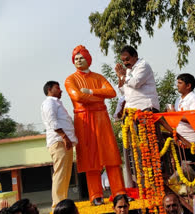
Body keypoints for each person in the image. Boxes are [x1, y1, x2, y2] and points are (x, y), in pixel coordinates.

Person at [65, 45, 126, 205]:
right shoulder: (70, 80)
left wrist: (91, 92)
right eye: (76, 58)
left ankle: (119, 192)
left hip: (102, 119)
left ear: (88, 59)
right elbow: (78, 97)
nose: (78, 60)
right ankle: (96, 195)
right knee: (90, 160)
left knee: (110, 155)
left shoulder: (98, 77)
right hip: (83, 120)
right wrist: (99, 98)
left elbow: (112, 93)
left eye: (81, 57)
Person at [41, 81, 78, 209]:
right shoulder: (49, 102)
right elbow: (52, 121)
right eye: (58, 88)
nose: (61, 90)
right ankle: (57, 204)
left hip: (65, 141)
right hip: (59, 141)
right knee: (60, 172)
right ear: (50, 89)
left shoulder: (56, 103)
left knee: (66, 172)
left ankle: (63, 202)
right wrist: (64, 137)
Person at [115, 45, 159, 112]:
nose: (125, 63)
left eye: (127, 59)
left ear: (135, 56)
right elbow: (123, 91)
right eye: (123, 61)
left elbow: (135, 83)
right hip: (131, 110)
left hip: (146, 108)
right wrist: (120, 77)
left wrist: (122, 76)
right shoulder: (128, 70)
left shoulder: (143, 65)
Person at [174, 73, 195, 159]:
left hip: (193, 140)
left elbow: (194, 119)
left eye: (180, 83)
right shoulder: (178, 100)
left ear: (188, 86)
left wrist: (174, 114)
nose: (177, 85)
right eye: (177, 83)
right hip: (180, 140)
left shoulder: (194, 99)